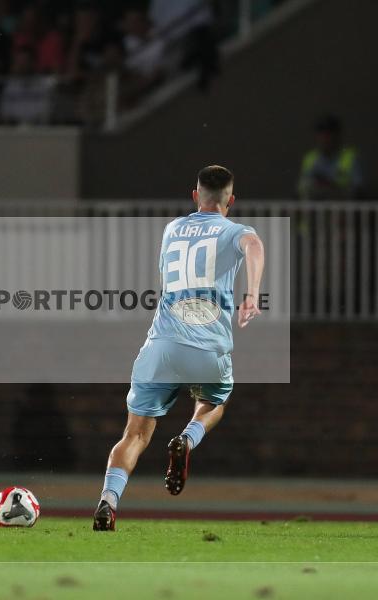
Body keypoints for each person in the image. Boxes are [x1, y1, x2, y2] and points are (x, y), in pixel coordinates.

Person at [93, 165, 265, 531]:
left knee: (134, 435)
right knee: (214, 402)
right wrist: (251, 294)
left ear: (194, 196)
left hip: (161, 347)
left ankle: (108, 500)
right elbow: (254, 246)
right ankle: (188, 438)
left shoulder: (172, 229)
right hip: (206, 348)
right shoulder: (235, 231)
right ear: (231, 201)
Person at [297, 115, 363, 200]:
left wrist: (332, 187)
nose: (325, 138)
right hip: (316, 208)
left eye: (329, 133)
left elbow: (358, 190)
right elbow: (302, 189)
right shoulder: (310, 158)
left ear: (337, 135)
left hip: (343, 208)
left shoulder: (350, 156)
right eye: (321, 133)